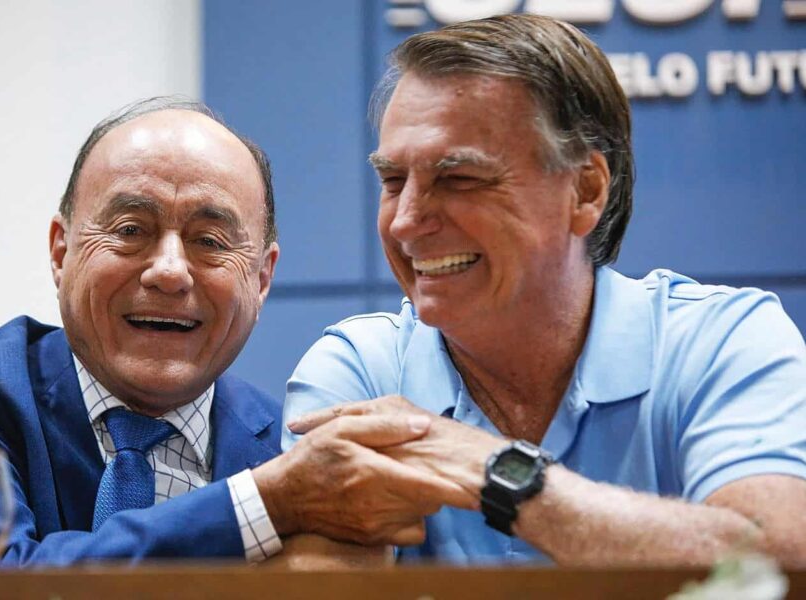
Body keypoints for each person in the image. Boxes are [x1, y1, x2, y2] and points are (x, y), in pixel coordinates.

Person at [282, 15, 806, 567]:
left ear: (585, 191)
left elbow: (777, 561)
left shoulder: (721, 342)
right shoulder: (361, 369)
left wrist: (494, 472)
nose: (406, 221)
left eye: (459, 179)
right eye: (393, 181)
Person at [0, 97, 467, 566]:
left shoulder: (287, 448)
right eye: (131, 229)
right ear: (60, 251)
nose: (169, 271)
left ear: (262, 277)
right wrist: (261, 505)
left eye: (210, 241)